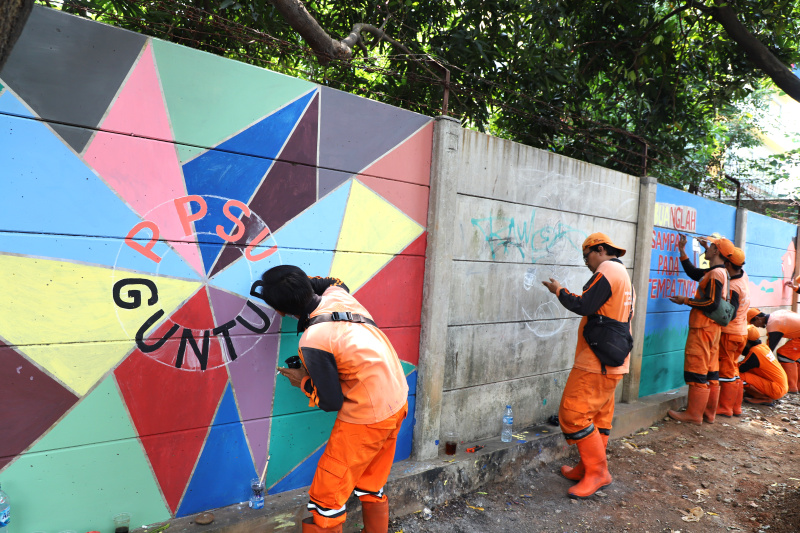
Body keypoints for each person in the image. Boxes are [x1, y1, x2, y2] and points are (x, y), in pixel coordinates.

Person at [259, 265, 409, 533]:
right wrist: (298, 284)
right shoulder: (340, 296)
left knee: (327, 496)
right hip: (396, 399)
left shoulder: (314, 339)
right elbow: (331, 280)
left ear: (280, 312)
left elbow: (331, 402)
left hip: (367, 417)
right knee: (371, 482)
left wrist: (302, 381)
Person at [542, 232, 634, 499]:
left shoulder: (607, 270)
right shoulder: (624, 276)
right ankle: (587, 466)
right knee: (598, 418)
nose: (586, 263)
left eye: (587, 256)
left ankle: (597, 473)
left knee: (573, 415)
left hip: (596, 363)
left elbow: (583, 305)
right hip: (612, 362)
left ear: (600, 249)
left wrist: (559, 290)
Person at [666, 235, 730, 425]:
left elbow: (711, 303)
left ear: (717, 251)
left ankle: (694, 414)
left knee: (697, 370)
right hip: (712, 329)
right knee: (711, 372)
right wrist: (682, 251)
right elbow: (694, 273)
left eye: (710, 246)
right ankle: (708, 414)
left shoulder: (715, 274)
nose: (706, 248)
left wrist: (685, 300)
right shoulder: (721, 272)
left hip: (703, 328)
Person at [715, 245, 749, 418]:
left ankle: (725, 407)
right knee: (734, 370)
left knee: (726, 371)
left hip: (730, 333)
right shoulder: (744, 277)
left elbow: (731, 312)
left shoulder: (734, 286)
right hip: (742, 332)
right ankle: (736, 407)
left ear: (727, 263)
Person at [748, 307, 800, 394]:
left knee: (784, 355)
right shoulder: (774, 316)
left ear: (758, 318)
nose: (756, 327)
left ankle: (792, 387)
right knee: (794, 357)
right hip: (797, 336)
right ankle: (797, 385)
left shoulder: (773, 325)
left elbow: (769, 350)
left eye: (754, 324)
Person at [738, 325, 788, 405]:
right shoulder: (763, 347)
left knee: (739, 376)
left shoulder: (755, 352)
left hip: (776, 389)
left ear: (747, 341)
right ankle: (757, 394)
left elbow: (740, 368)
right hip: (779, 387)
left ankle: (764, 398)